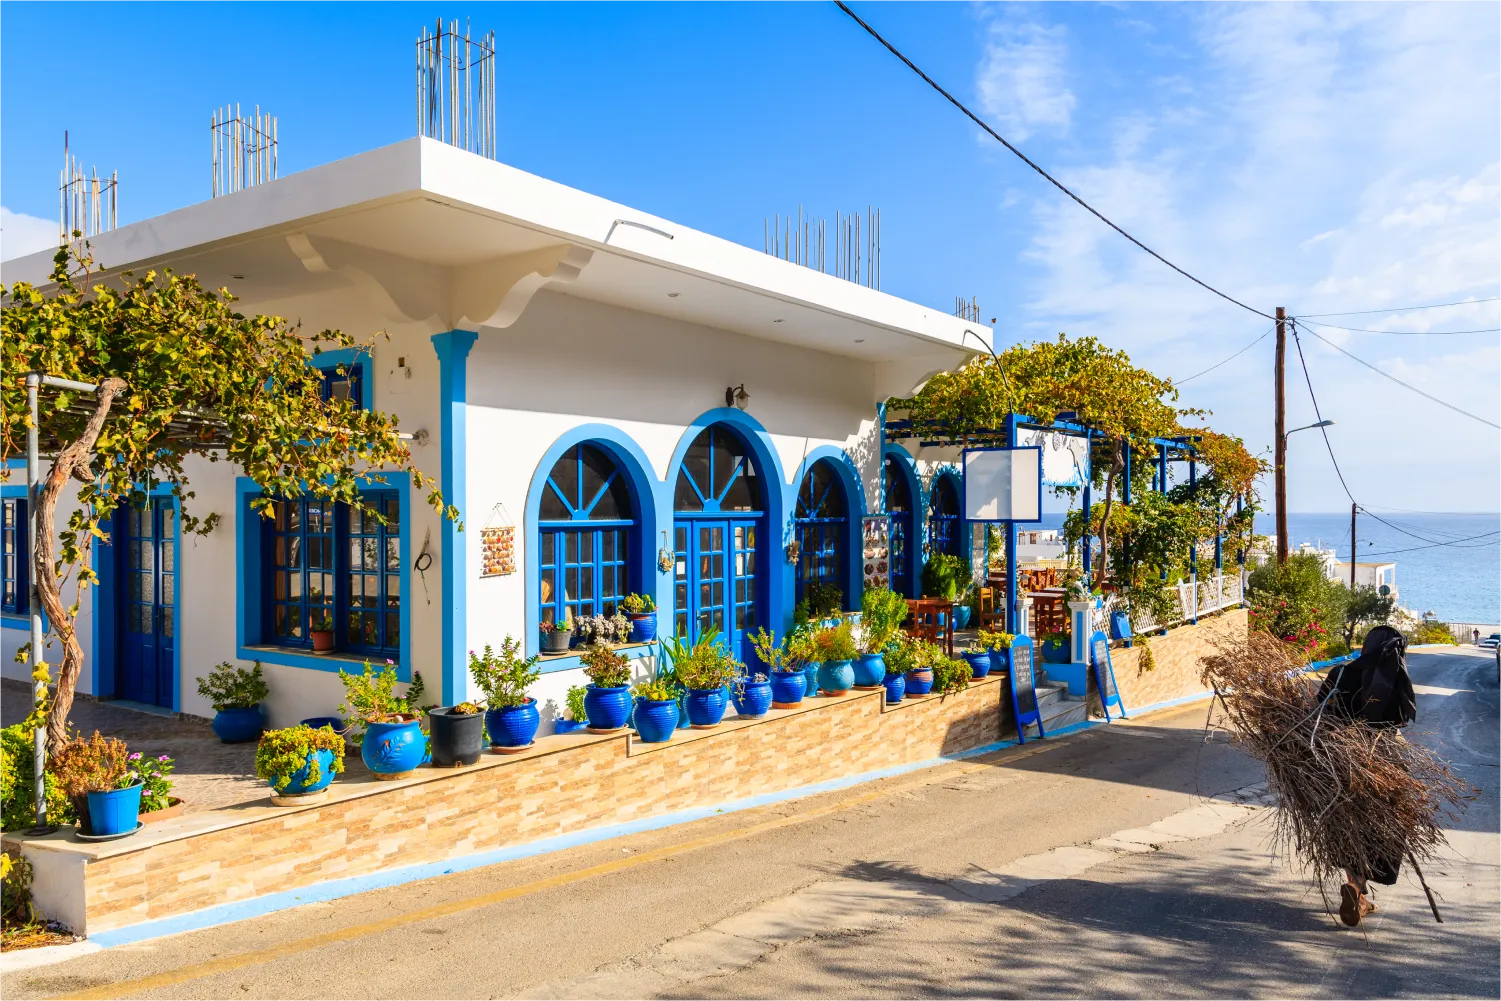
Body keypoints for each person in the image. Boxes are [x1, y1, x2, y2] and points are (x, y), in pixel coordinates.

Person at [1316, 624, 1417, 927]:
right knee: (1382, 825)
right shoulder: (1397, 678)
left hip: (1339, 762)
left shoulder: (1340, 674)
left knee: (1347, 822)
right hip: (1384, 764)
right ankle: (1358, 891)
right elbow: (1401, 720)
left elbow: (1319, 710)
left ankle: (1355, 888)